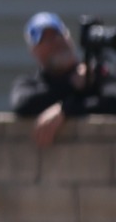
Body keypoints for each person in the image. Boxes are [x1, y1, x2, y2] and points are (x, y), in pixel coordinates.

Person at [11, 12, 111, 148]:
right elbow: (23, 104)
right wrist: (71, 84)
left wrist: (66, 109)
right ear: (34, 51)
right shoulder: (32, 82)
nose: (56, 43)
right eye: (46, 39)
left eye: (58, 35)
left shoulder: (93, 73)